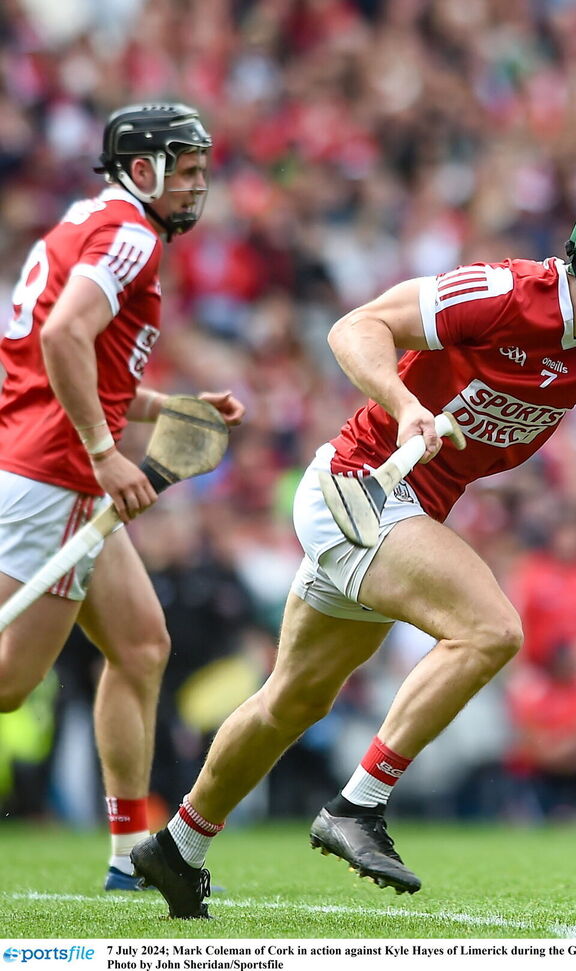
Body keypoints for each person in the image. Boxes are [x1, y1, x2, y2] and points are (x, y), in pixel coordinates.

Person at [131, 199, 576, 918]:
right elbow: (355, 326)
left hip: (408, 511)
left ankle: (178, 846)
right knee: (491, 628)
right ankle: (357, 806)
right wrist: (402, 402)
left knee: (294, 698)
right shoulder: (503, 294)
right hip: (358, 486)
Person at [0, 103, 244, 890]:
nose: (200, 183)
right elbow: (63, 337)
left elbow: (89, 373)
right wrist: (105, 454)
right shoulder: (132, 234)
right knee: (9, 683)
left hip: (45, 455)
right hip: (55, 471)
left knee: (141, 646)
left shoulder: (92, 218)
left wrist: (172, 409)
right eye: (188, 167)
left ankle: (125, 851)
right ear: (142, 171)